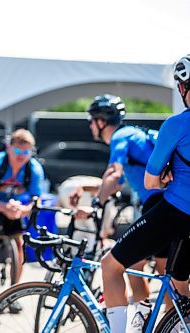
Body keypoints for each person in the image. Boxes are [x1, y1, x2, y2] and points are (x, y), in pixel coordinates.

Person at [100, 55, 190, 333]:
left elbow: (151, 182)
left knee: (110, 266)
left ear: (183, 88)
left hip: (176, 211)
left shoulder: (176, 125)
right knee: (179, 286)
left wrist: (163, 175)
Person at [70, 93, 168, 309]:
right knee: (162, 274)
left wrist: (94, 205)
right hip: (168, 202)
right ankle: (149, 321)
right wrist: (86, 188)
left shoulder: (120, 137)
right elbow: (118, 180)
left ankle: (140, 321)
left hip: (158, 205)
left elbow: (113, 176)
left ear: (100, 121)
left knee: (116, 264)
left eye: (91, 121)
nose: (90, 127)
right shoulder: (133, 135)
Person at [0, 129, 45, 309]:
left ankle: (13, 294)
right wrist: (3, 207)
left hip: (15, 210)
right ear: (9, 148)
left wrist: (24, 209)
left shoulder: (34, 168)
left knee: (20, 246)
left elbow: (37, 200)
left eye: (27, 152)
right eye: (18, 151)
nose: (22, 156)